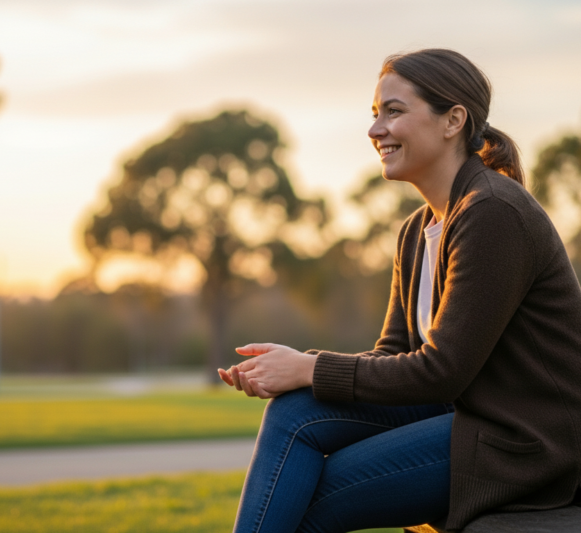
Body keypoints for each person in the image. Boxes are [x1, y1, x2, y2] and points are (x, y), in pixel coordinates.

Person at [218, 48, 581, 533]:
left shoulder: (493, 212)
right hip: (462, 417)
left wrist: (307, 366)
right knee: (295, 410)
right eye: (374, 114)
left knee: (308, 502)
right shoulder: (417, 230)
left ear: (453, 120)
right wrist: (296, 369)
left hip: (521, 438)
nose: (374, 131)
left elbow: (443, 372)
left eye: (394, 111)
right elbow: (393, 354)